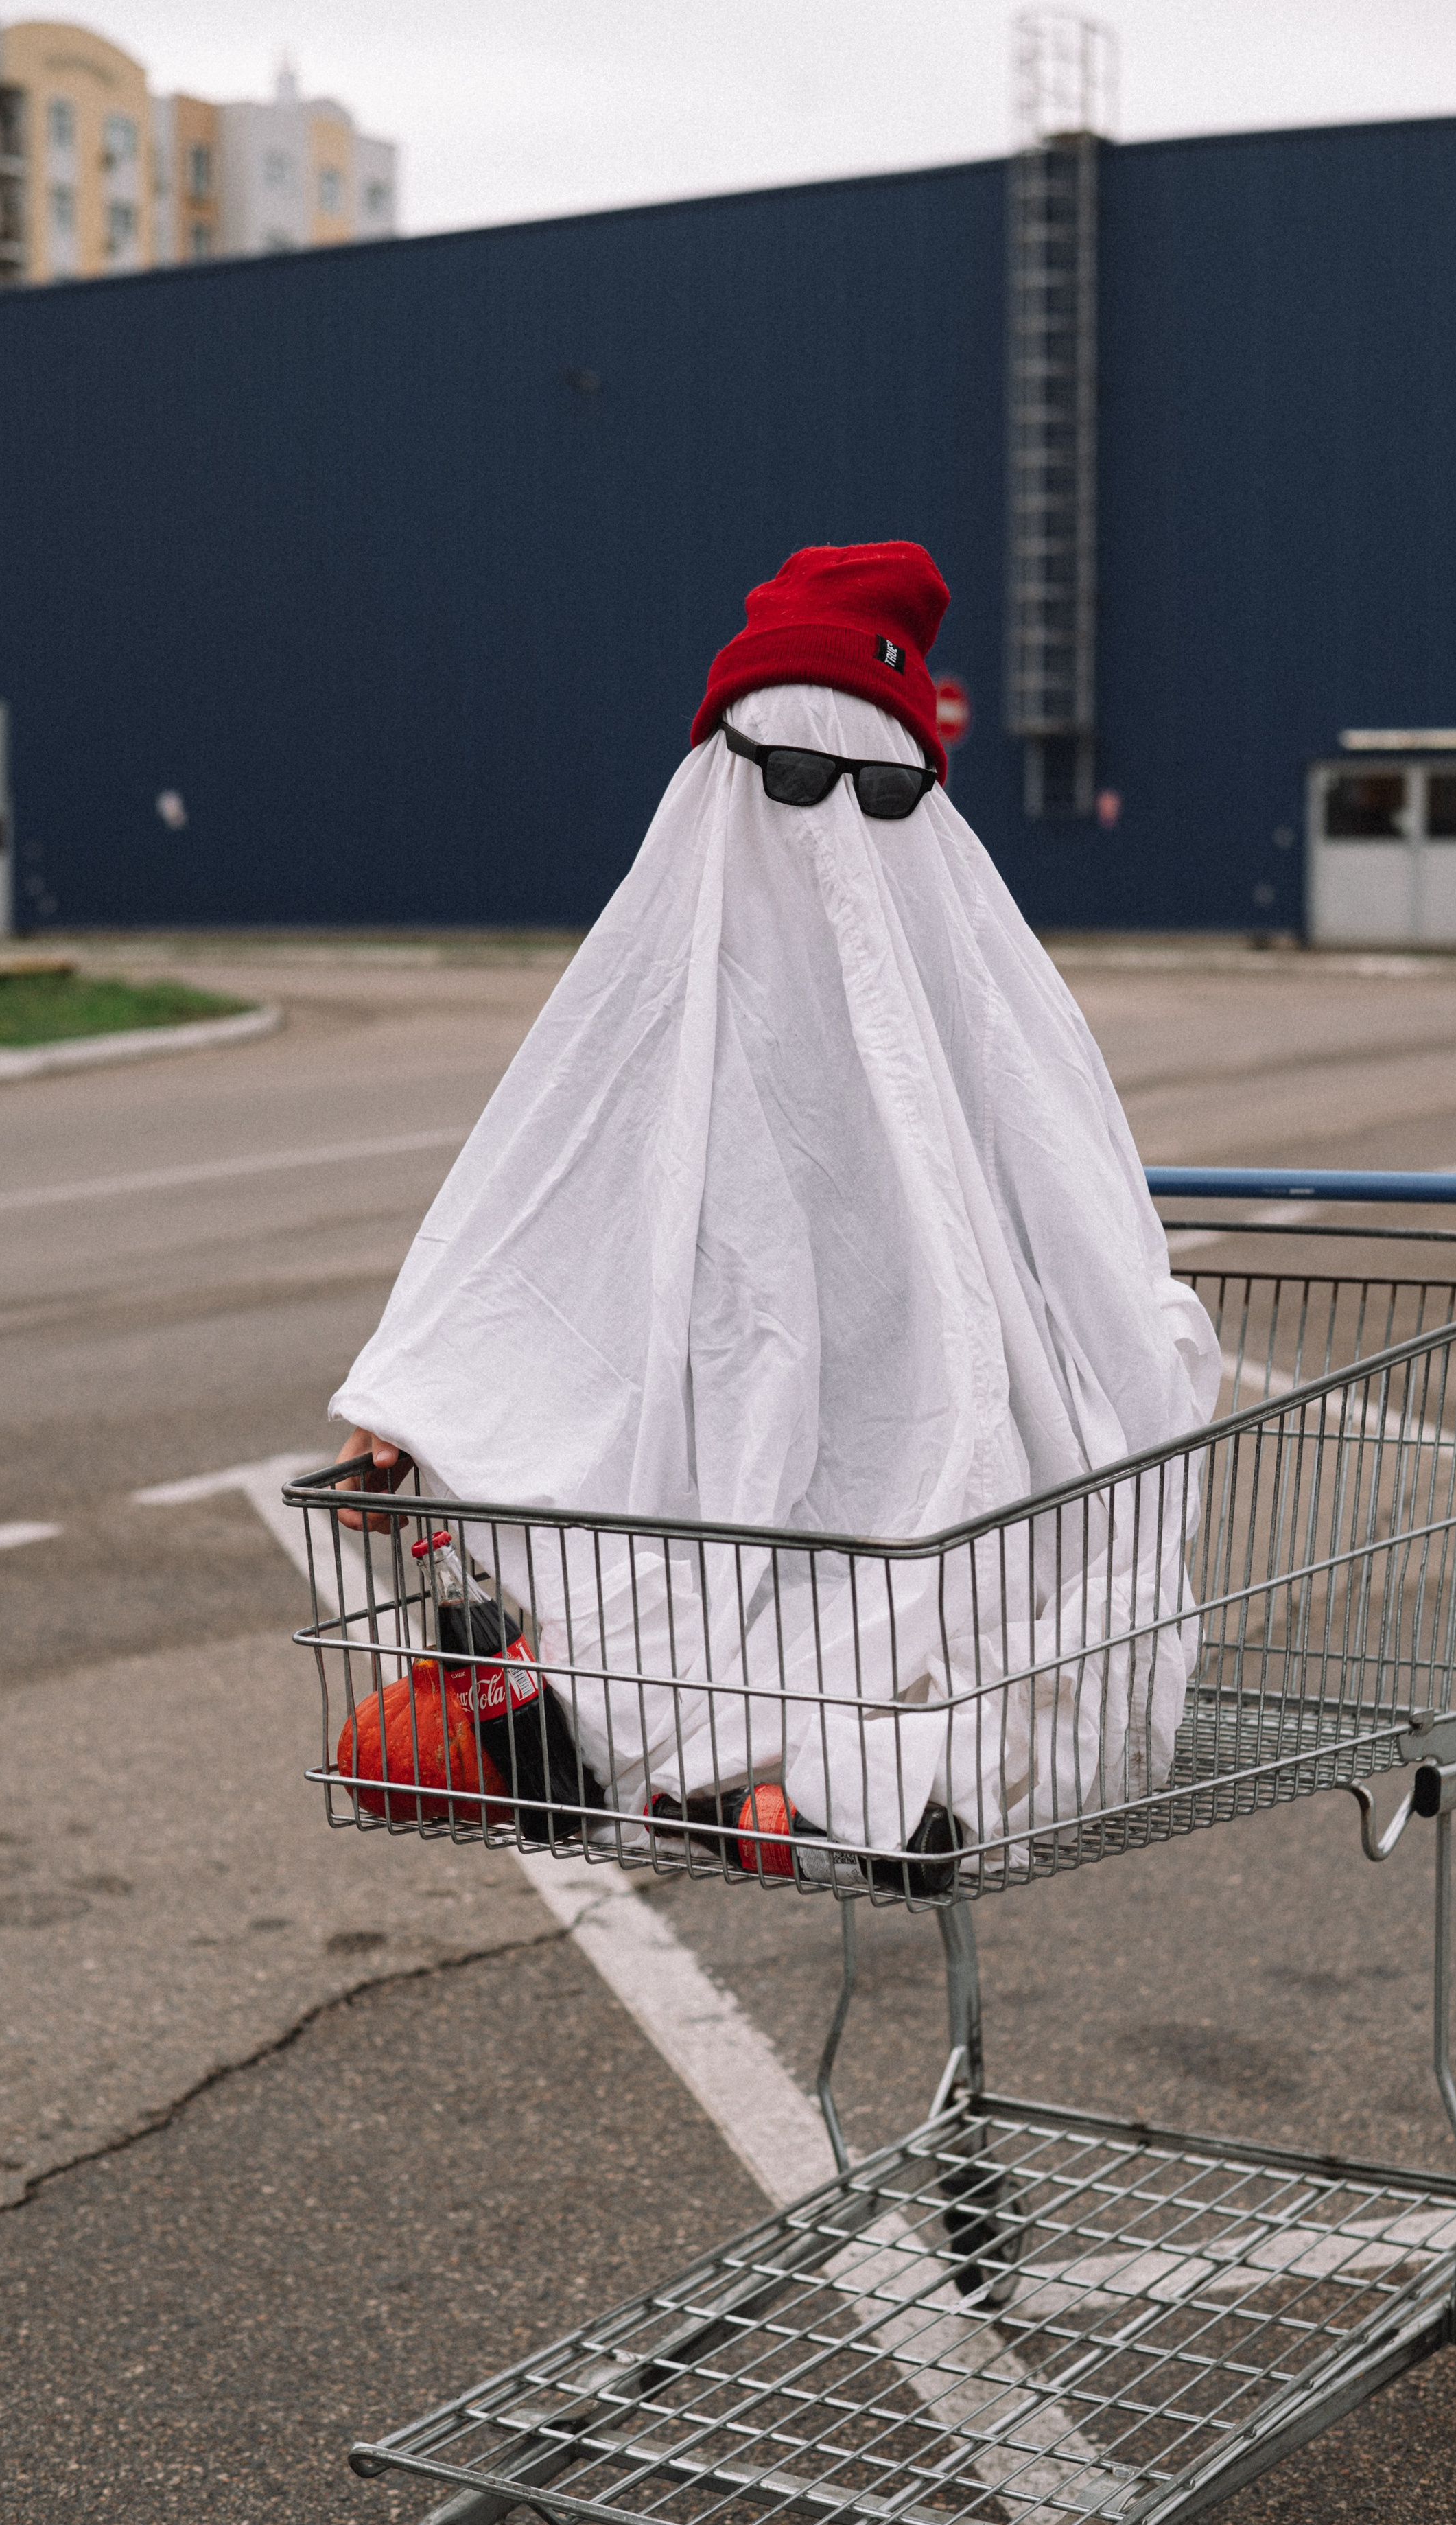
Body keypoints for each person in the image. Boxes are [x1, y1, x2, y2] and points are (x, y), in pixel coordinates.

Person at [331, 542, 1221, 1861]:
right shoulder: (656, 1004)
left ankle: (819, 1782)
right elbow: (534, 1223)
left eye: (883, 791)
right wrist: (413, 1403)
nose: (835, 832)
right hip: (727, 1542)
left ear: (932, 799)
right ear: (727, 785)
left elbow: (1088, 1246)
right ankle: (811, 1786)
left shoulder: (985, 1017)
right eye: (797, 784)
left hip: (968, 1532)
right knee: (718, 1646)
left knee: (971, 1643)